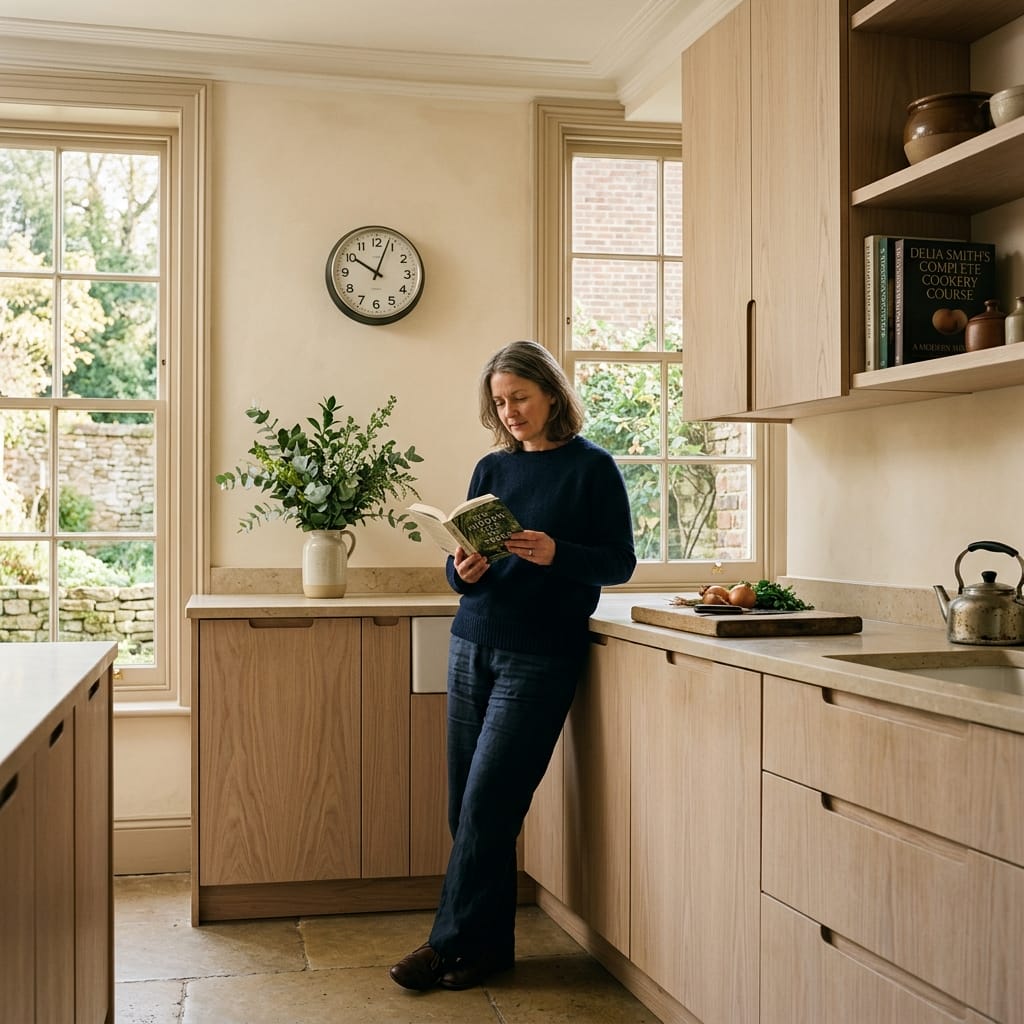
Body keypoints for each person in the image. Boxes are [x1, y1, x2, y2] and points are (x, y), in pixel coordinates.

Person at [389, 339, 636, 992]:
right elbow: (463, 562)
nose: (510, 412)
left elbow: (618, 562)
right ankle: (488, 948)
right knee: (463, 805)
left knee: (490, 803)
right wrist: (460, 570)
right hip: (472, 641)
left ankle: (447, 946)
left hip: (541, 654)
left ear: (552, 393)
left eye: (519, 398)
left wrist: (558, 553)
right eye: (500, 403)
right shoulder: (491, 469)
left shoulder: (593, 469)